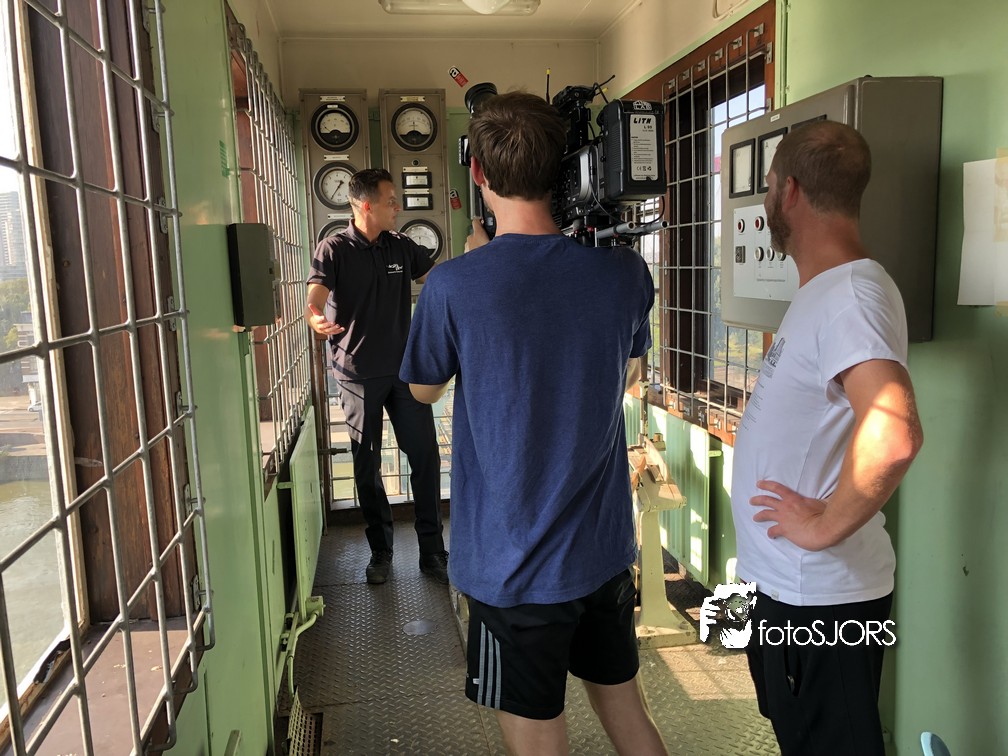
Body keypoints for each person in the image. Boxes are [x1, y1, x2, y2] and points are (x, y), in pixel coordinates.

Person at [399, 91, 668, 756]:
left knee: (537, 737)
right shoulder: (625, 273)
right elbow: (628, 373)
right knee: (628, 712)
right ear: (564, 169)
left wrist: (478, 262)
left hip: (512, 567)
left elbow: (423, 389)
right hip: (603, 552)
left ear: (479, 173)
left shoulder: (454, 285)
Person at [731, 120, 924, 755]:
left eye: (766, 187)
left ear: (788, 192)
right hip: (794, 593)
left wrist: (820, 528)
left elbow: (894, 432)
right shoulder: (830, 292)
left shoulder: (850, 297)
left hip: (820, 600)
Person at [305, 168, 448, 586]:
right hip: (356, 375)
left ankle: (432, 551)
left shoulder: (400, 245)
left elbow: (438, 279)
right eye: (391, 201)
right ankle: (381, 551)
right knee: (366, 465)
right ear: (366, 205)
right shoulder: (333, 249)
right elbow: (315, 295)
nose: (397, 207)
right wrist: (314, 317)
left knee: (425, 458)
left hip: (404, 373)